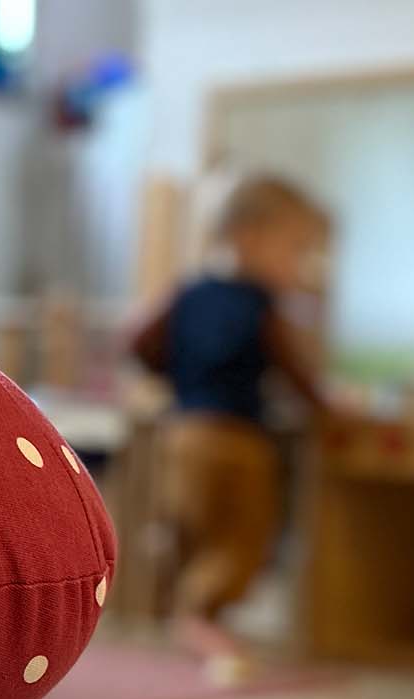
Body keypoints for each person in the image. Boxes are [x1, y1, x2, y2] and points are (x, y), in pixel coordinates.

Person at [129, 173, 329, 666]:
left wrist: (181, 374)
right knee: (241, 536)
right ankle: (202, 617)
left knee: (192, 530)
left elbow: (140, 345)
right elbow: (293, 370)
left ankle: (186, 618)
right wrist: (326, 406)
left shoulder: (189, 291)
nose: (302, 267)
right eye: (296, 250)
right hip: (237, 441)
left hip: (181, 432)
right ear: (248, 237)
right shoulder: (260, 305)